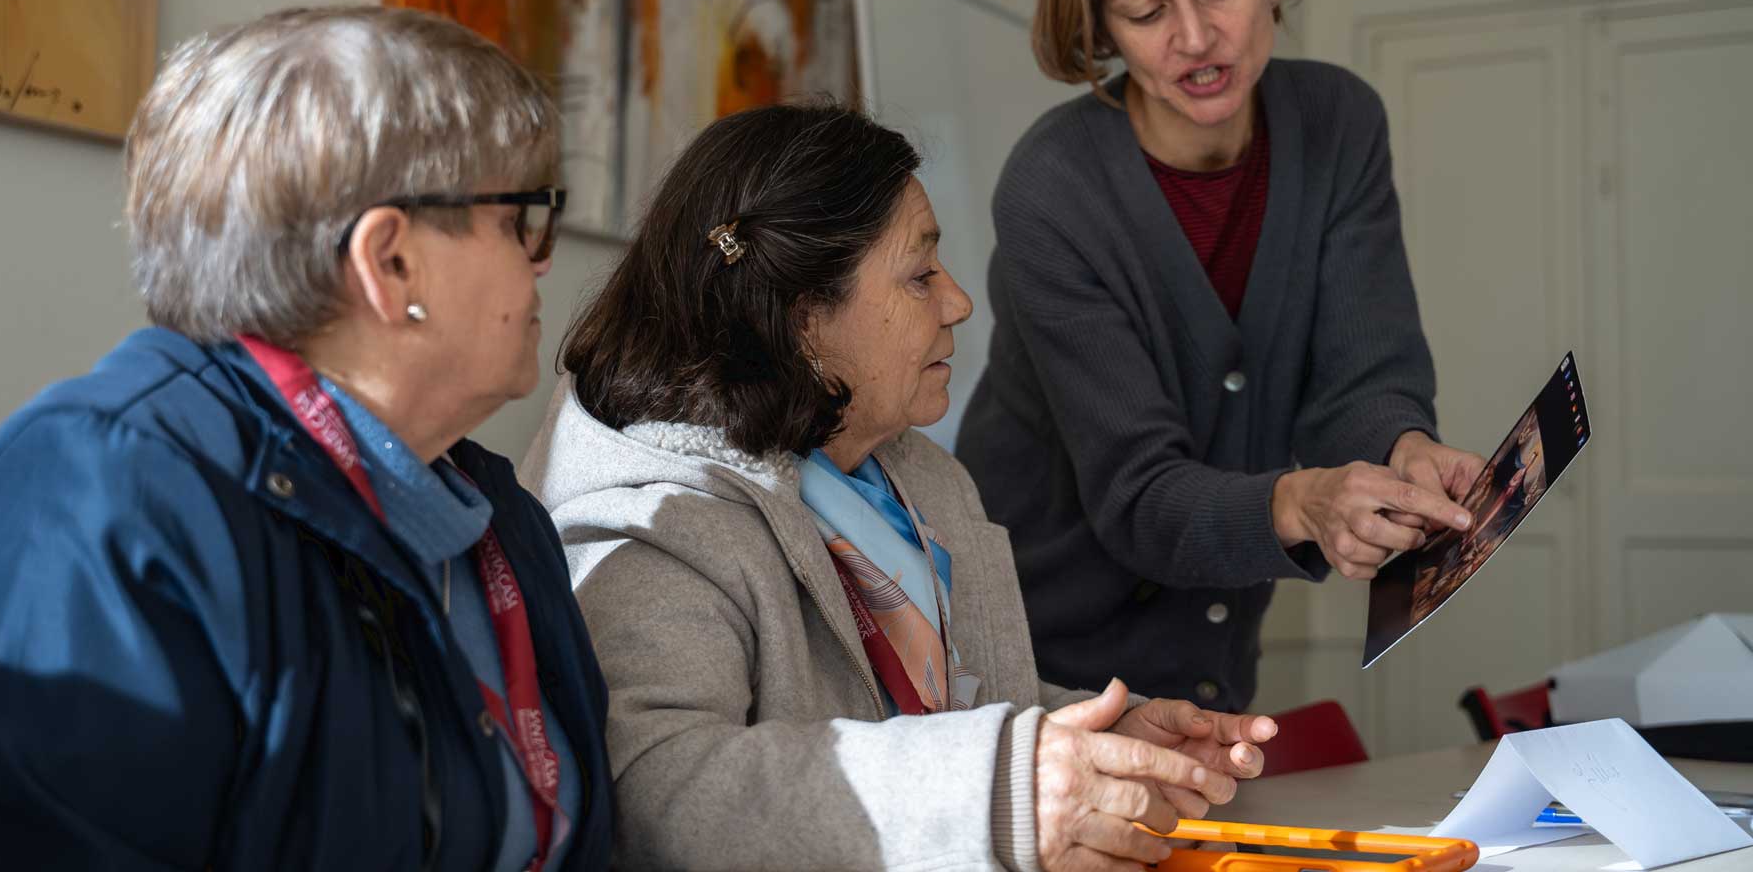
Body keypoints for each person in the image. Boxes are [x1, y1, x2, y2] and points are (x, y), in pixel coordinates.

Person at [0, 6, 614, 869]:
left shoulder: (497, 517)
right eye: (518, 221)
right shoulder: (105, 494)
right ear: (390, 264)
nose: (542, 261)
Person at [524, 102, 1276, 871]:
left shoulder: (920, 478)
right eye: (920, 275)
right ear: (801, 320)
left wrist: (1091, 745)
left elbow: (936, 715)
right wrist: (1001, 787)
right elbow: (658, 796)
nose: (958, 302)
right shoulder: (650, 523)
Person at [954, 0, 1485, 712]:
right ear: (1102, 25)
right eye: (1146, 9)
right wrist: (1310, 504)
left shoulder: (1338, 125)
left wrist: (1406, 451)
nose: (1194, 39)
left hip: (1215, 660)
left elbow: (1367, 371)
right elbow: (1140, 493)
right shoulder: (1053, 187)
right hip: (1035, 665)